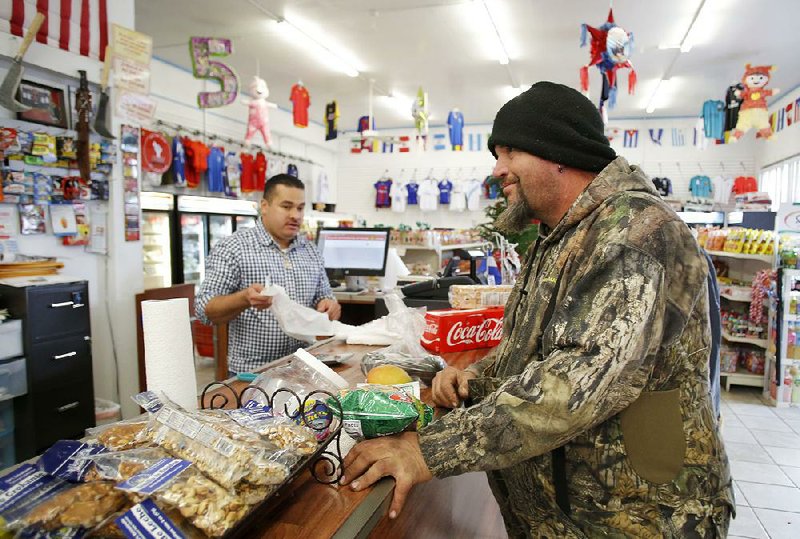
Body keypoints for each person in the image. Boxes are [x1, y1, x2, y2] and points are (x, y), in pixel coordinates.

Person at [341, 82, 733, 536]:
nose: (498, 170)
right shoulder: (565, 235)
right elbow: (535, 347)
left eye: (509, 152)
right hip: (571, 514)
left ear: (559, 154)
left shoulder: (635, 235)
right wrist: (477, 378)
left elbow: (574, 385)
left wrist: (427, 450)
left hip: (635, 518)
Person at [196, 174, 341, 374]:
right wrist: (244, 298)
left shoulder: (310, 250)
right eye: (286, 206)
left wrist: (329, 304)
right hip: (254, 374)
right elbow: (204, 309)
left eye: (300, 208)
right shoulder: (234, 248)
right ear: (264, 206)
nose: (296, 215)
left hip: (306, 367)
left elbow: (324, 295)